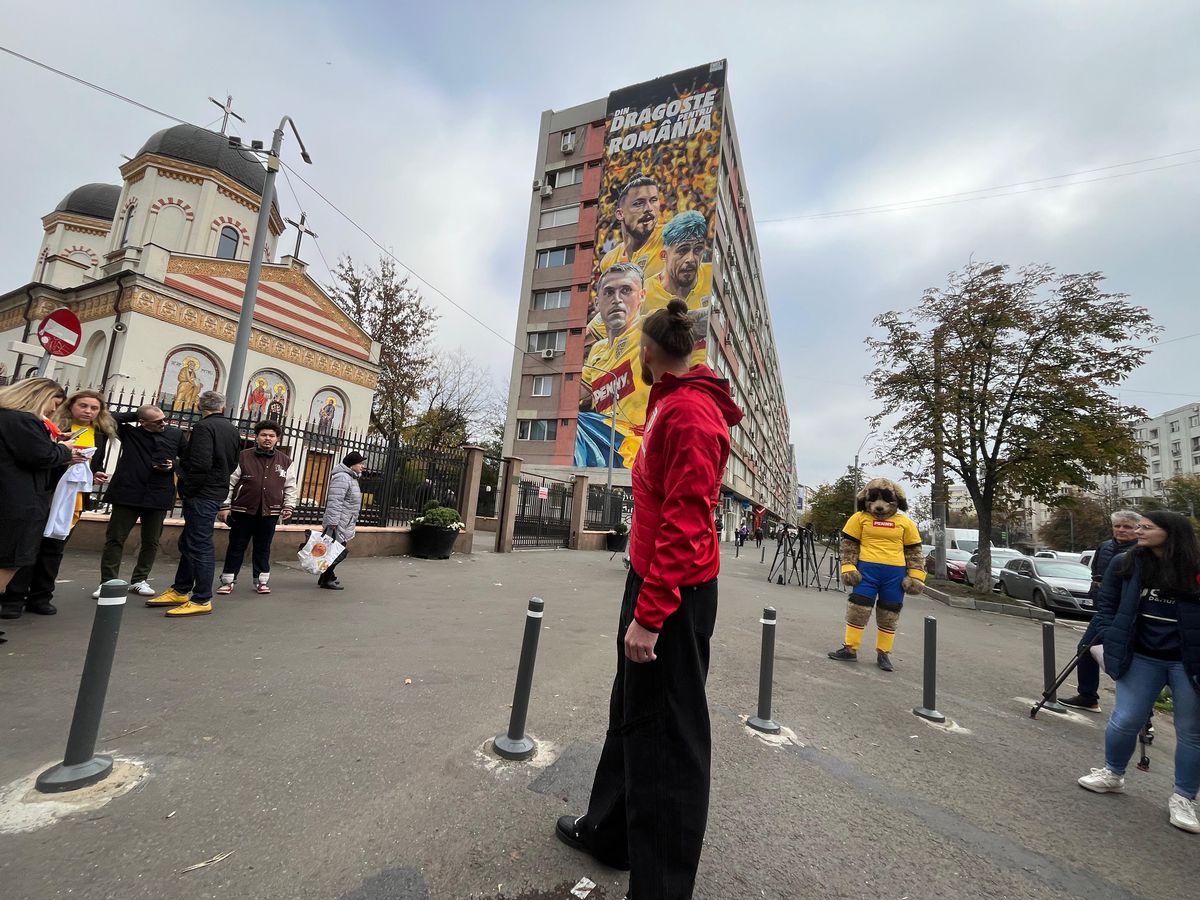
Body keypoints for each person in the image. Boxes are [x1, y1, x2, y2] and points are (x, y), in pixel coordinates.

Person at [556, 298, 742, 898]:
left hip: (674, 591)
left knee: (667, 738)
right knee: (633, 715)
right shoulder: (667, 402)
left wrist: (651, 615)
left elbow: (688, 525)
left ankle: (660, 886)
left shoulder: (689, 414)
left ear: (647, 352)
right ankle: (610, 833)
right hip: (652, 578)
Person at [1077, 510, 1200, 834]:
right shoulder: (1127, 563)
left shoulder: (1194, 567)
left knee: (1191, 731)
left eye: (1147, 527)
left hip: (1188, 661)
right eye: (1139, 526)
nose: (1139, 531)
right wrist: (1099, 639)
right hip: (1142, 656)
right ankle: (1113, 774)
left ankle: (1184, 798)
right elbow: (1108, 607)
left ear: (1171, 533)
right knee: (1126, 718)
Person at [2, 389, 114, 618]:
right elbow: (39, 456)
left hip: (73, 499)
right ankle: (14, 598)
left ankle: (41, 596)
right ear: (70, 405)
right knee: (28, 546)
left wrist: (94, 474)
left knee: (54, 548)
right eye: (83, 405)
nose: (88, 411)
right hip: (47, 492)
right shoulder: (52, 426)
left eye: (94, 408)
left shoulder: (99, 433)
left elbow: (92, 462)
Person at [148, 391, 241, 617]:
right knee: (189, 541)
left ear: (199, 405)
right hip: (215, 489)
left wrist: (186, 482)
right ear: (223, 406)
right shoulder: (232, 429)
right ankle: (181, 589)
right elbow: (232, 462)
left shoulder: (203, 427)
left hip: (202, 493)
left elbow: (200, 463)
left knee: (199, 544)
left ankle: (201, 598)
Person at [0, 379, 82, 608]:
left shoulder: (7, 417)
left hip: (10, 495)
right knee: (11, 559)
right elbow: (40, 456)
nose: (54, 410)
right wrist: (63, 450)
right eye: (54, 403)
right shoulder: (23, 420)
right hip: (17, 500)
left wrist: (52, 443)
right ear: (39, 396)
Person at [97, 405, 185, 597]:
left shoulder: (175, 434)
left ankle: (140, 580)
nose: (163, 423)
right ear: (143, 422)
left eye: (164, 419)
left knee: (151, 540)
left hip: (158, 494)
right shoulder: (130, 433)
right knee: (115, 538)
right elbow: (106, 418)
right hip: (128, 492)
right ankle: (108, 581)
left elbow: (188, 459)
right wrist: (137, 414)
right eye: (157, 421)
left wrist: (174, 465)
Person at [1060, 510, 1141, 712]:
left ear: (1136, 529)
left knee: (1133, 662)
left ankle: (1142, 714)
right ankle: (1088, 696)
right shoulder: (1104, 546)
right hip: (1104, 610)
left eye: (1127, 526)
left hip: (1129, 613)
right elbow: (1096, 573)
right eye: (1118, 526)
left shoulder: (1142, 552)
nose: (1121, 530)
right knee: (1085, 649)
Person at [575, 264, 648, 470]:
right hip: (606, 440)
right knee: (572, 422)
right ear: (597, 303)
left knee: (577, 425)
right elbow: (572, 393)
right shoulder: (598, 351)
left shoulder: (651, 328)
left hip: (638, 442)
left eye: (626, 290)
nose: (617, 299)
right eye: (609, 292)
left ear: (642, 296)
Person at [216, 421, 297, 595]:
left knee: (263, 547)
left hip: (270, 512)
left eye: (271, 436)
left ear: (277, 439)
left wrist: (289, 505)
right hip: (242, 510)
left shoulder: (285, 461)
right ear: (257, 437)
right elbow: (230, 483)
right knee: (237, 545)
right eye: (264, 435)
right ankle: (228, 581)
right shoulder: (243, 456)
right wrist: (225, 505)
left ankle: (261, 581)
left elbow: (290, 486)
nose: (267, 438)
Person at [317, 451, 364, 590]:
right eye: (360, 463)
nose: (362, 466)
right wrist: (333, 522)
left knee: (334, 549)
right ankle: (326, 579)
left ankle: (326, 577)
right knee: (335, 551)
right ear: (351, 464)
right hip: (338, 522)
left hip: (345, 520)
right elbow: (335, 501)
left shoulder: (351, 478)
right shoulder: (342, 478)